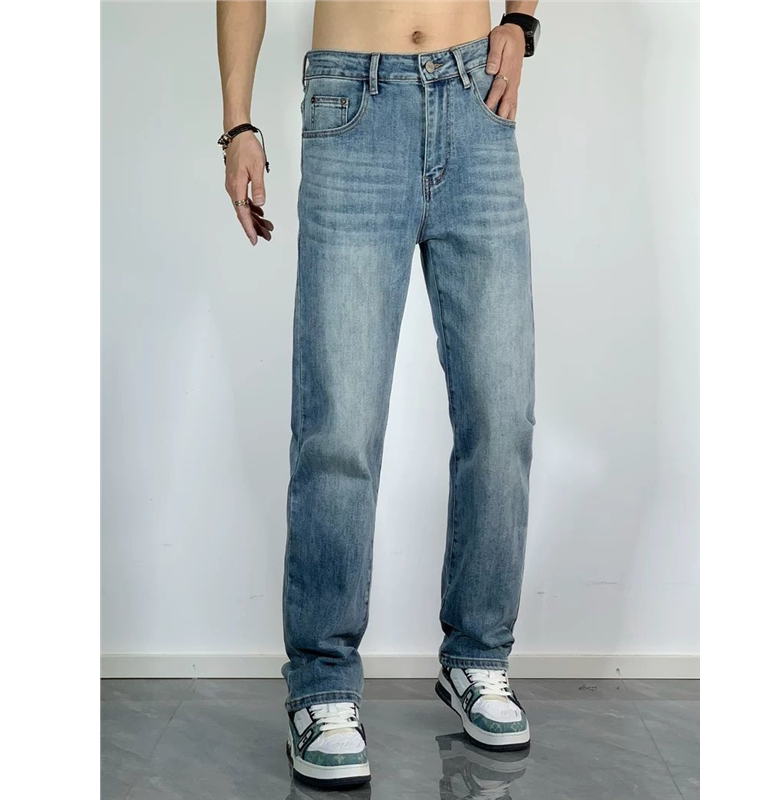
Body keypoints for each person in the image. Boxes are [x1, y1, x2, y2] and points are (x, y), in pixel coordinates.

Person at [217, 0, 540, 789]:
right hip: (351, 105)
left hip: (474, 99)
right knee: (339, 428)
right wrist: (238, 124)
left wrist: (521, 21)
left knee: (501, 412)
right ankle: (322, 686)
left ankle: (478, 658)